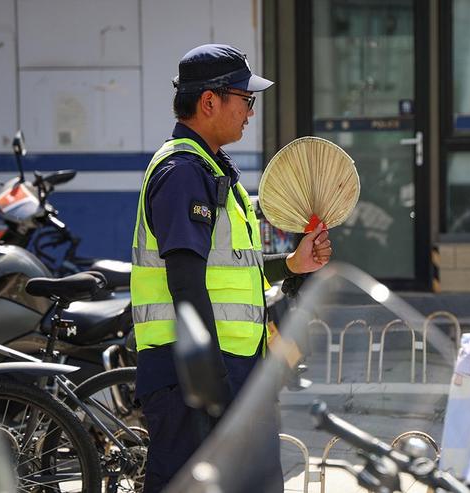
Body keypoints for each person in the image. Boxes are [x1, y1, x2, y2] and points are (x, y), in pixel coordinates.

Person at [130, 43, 332, 493]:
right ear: (209, 102)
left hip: (226, 373)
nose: (250, 113)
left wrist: (293, 264)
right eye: (246, 100)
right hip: (195, 381)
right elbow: (185, 282)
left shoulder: (210, 168)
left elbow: (233, 274)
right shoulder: (183, 172)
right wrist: (214, 389)